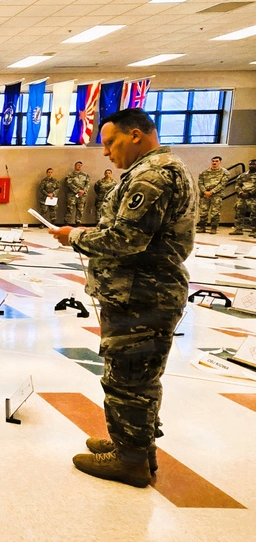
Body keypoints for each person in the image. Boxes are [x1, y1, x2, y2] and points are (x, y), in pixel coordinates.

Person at [49, 108, 195, 488]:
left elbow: (126, 239)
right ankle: (133, 445)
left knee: (128, 378)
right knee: (137, 376)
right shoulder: (162, 168)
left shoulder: (152, 176)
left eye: (111, 143)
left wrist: (75, 236)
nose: (107, 153)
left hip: (143, 295)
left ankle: (129, 460)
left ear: (135, 135)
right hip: (142, 291)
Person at [197, 155, 228, 234]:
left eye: (216, 161)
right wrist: (204, 191)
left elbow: (222, 184)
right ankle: (202, 227)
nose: (214, 163)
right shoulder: (204, 172)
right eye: (213, 161)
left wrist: (212, 191)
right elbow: (200, 182)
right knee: (203, 212)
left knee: (215, 212)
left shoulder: (225, 172)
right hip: (205, 195)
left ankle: (213, 227)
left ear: (220, 162)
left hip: (216, 195)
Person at [231, 159, 256, 236]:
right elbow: (237, 185)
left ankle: (254, 230)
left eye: (254, 164)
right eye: (250, 164)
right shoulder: (243, 175)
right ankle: (238, 229)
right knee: (239, 212)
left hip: (253, 197)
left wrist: (250, 193)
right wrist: (241, 192)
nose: (252, 166)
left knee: (254, 214)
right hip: (242, 197)